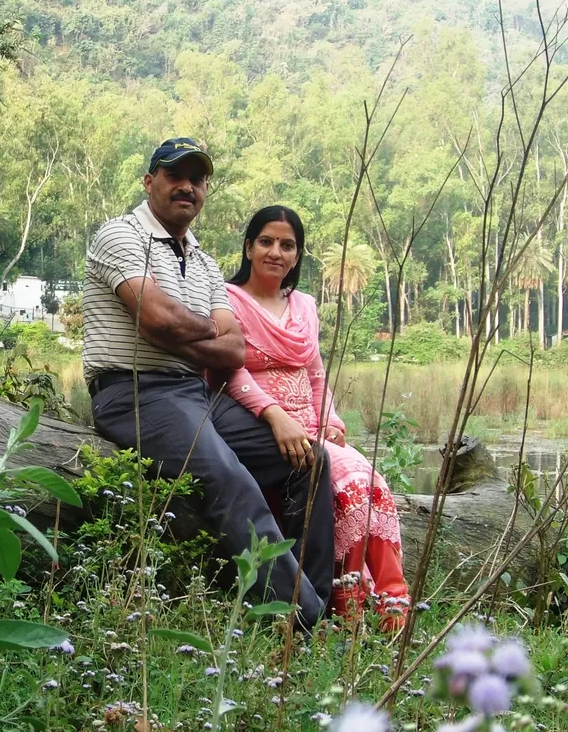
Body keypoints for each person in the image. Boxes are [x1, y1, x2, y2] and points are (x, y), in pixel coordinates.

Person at [82, 138, 335, 627]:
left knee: (311, 459)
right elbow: (158, 319)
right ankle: (301, 622)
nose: (186, 187)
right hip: (134, 392)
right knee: (227, 475)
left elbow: (233, 349)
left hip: (197, 395)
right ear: (149, 181)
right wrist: (193, 326)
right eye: (175, 175)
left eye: (197, 179)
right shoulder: (120, 236)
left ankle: (318, 606)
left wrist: (177, 327)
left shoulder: (202, 262)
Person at [218, 205, 409, 628]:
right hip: (266, 428)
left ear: (297, 255)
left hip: (313, 426)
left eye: (288, 245)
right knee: (354, 481)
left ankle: (385, 606)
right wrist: (274, 417)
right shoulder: (227, 300)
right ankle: (344, 606)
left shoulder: (303, 304)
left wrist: (331, 420)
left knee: (366, 480)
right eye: (266, 241)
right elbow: (231, 370)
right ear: (248, 247)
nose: (276, 253)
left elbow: (315, 371)